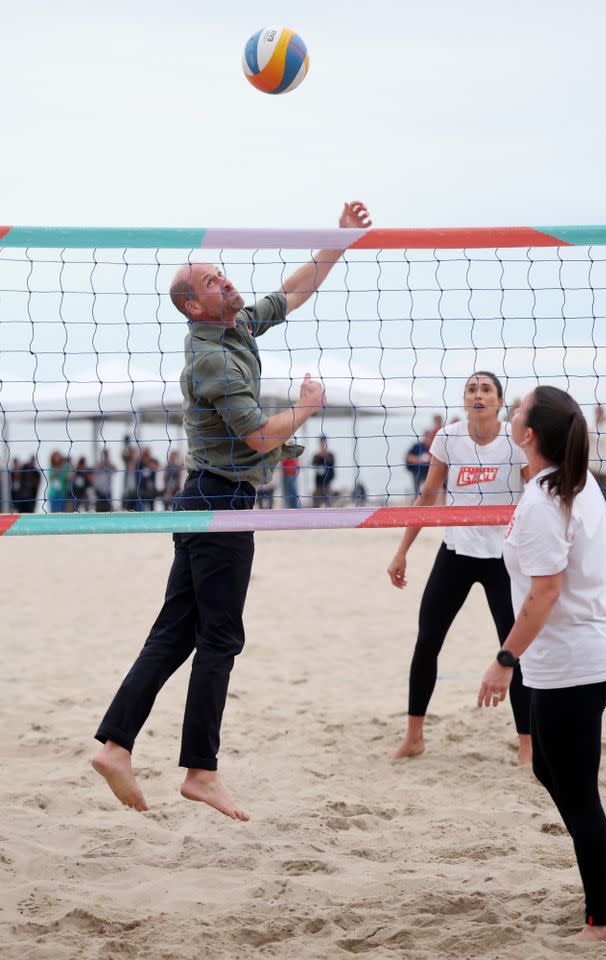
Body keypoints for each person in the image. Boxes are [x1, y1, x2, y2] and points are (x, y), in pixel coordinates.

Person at [92, 200, 372, 821]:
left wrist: (338, 242)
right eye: (214, 281)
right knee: (220, 637)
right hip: (219, 503)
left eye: (223, 275)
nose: (228, 283)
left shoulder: (237, 324)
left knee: (175, 633)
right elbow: (257, 439)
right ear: (195, 305)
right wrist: (307, 407)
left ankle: (116, 745)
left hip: (205, 499)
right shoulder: (213, 357)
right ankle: (200, 771)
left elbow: (291, 294)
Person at [477, 386, 606, 950]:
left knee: (579, 790)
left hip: (573, 664)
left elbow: (543, 594)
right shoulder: (573, 482)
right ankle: (602, 884)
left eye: (516, 409)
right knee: (548, 767)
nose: (509, 413)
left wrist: (502, 661)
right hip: (578, 659)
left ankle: (601, 921)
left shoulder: (546, 501)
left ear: (530, 433)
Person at [387, 372, 531, 765]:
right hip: (456, 552)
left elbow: (537, 500)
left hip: (503, 557)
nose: (478, 394)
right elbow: (428, 495)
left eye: (486, 389)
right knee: (427, 642)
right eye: (471, 389)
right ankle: (414, 737)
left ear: (499, 402)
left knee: (514, 649)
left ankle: (526, 747)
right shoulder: (449, 438)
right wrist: (403, 551)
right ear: (464, 399)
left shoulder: (516, 442)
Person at [405, 429, 432, 495]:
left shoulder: (433, 446)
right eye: (427, 437)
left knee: (430, 491)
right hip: (417, 473)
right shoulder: (417, 446)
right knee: (417, 492)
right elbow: (409, 458)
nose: (428, 439)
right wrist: (419, 459)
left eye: (430, 437)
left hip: (429, 473)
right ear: (424, 437)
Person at [312, 436, 336, 506]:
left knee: (329, 504)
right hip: (318, 484)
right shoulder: (316, 455)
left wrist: (324, 455)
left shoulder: (331, 455)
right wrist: (319, 455)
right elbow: (313, 463)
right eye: (321, 442)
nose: (322, 444)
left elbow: (332, 464)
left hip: (327, 484)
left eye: (323, 442)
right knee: (316, 505)